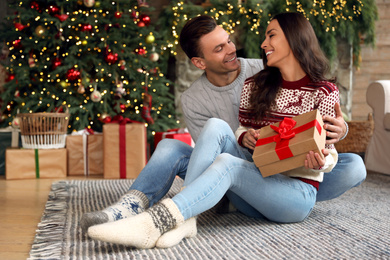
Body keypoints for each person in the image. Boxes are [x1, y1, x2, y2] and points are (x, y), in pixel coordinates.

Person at [86, 12, 366, 249]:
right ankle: (143, 208)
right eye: (219, 49)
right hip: (249, 168)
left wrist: (334, 137)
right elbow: (214, 149)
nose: (234, 49)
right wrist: (245, 136)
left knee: (353, 165)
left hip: (291, 183)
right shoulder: (235, 89)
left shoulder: (269, 72)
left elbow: (324, 136)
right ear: (199, 62)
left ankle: (172, 216)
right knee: (190, 143)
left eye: (228, 41)